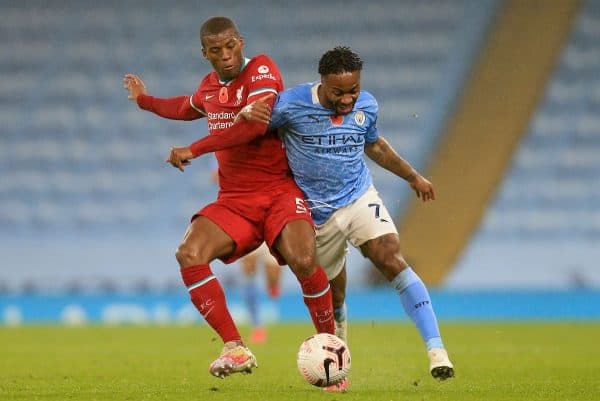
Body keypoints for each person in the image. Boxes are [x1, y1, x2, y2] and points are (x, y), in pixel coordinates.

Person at [122, 16, 334, 379]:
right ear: (204, 53)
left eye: (231, 46)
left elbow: (253, 126)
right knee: (188, 254)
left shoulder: (262, 70)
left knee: (302, 259)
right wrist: (144, 100)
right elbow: (183, 107)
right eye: (216, 50)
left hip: (279, 191)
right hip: (235, 199)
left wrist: (194, 149)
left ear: (241, 41)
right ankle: (236, 348)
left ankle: (331, 346)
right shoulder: (208, 88)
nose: (226, 55)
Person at [240, 46, 455, 391]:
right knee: (334, 297)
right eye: (338, 92)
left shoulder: (366, 105)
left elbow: (375, 146)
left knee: (389, 256)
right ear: (322, 83)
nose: (347, 99)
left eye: (353, 90)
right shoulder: (291, 103)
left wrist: (413, 176)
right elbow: (251, 128)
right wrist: (247, 113)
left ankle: (436, 350)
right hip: (314, 214)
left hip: (358, 198)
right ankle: (338, 343)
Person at [210, 160, 281, 344]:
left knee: (273, 274)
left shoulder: (270, 144)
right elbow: (214, 175)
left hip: (272, 214)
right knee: (248, 268)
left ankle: (273, 287)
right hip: (246, 215)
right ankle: (257, 326)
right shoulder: (229, 147)